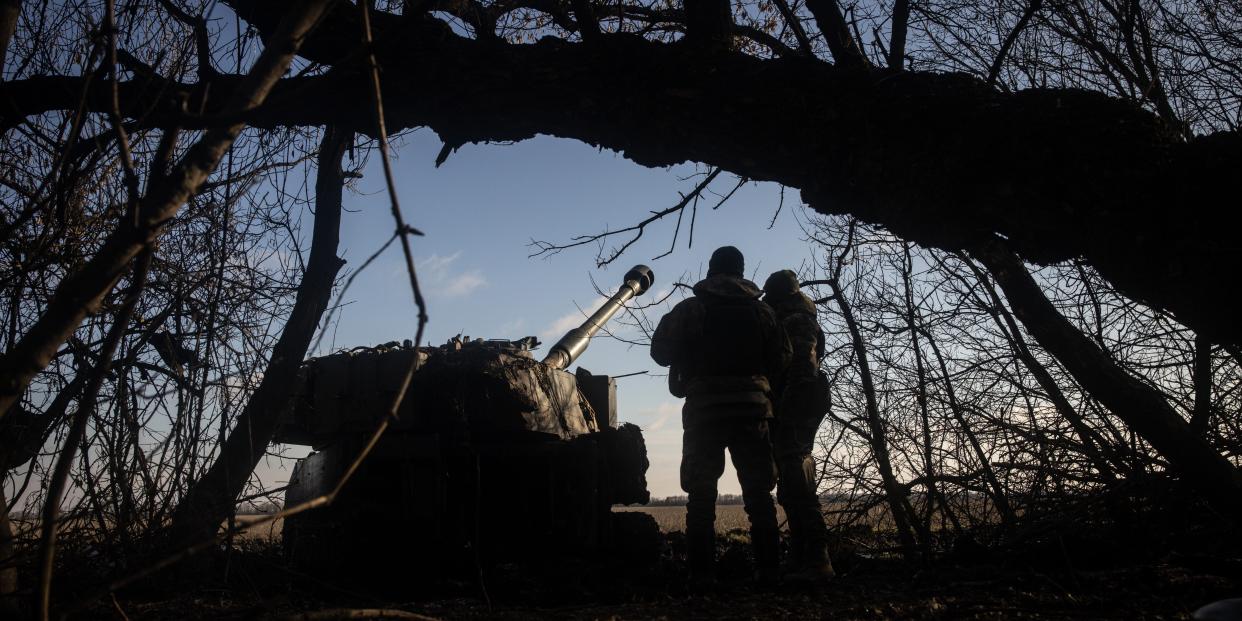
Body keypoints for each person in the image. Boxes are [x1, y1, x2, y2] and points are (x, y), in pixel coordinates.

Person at [650, 246, 791, 585]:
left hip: (704, 413)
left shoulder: (691, 309)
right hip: (753, 410)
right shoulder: (763, 313)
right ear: (741, 273)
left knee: (701, 497)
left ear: (711, 270)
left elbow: (660, 352)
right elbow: (784, 358)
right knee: (759, 496)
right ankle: (769, 572)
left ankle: (701, 576)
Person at [762, 269, 835, 582]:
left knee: (797, 479)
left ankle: (818, 559)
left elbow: (802, 367)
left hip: (799, 399)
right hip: (797, 398)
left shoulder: (797, 319)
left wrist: (787, 404)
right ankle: (802, 555)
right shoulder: (797, 316)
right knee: (791, 482)